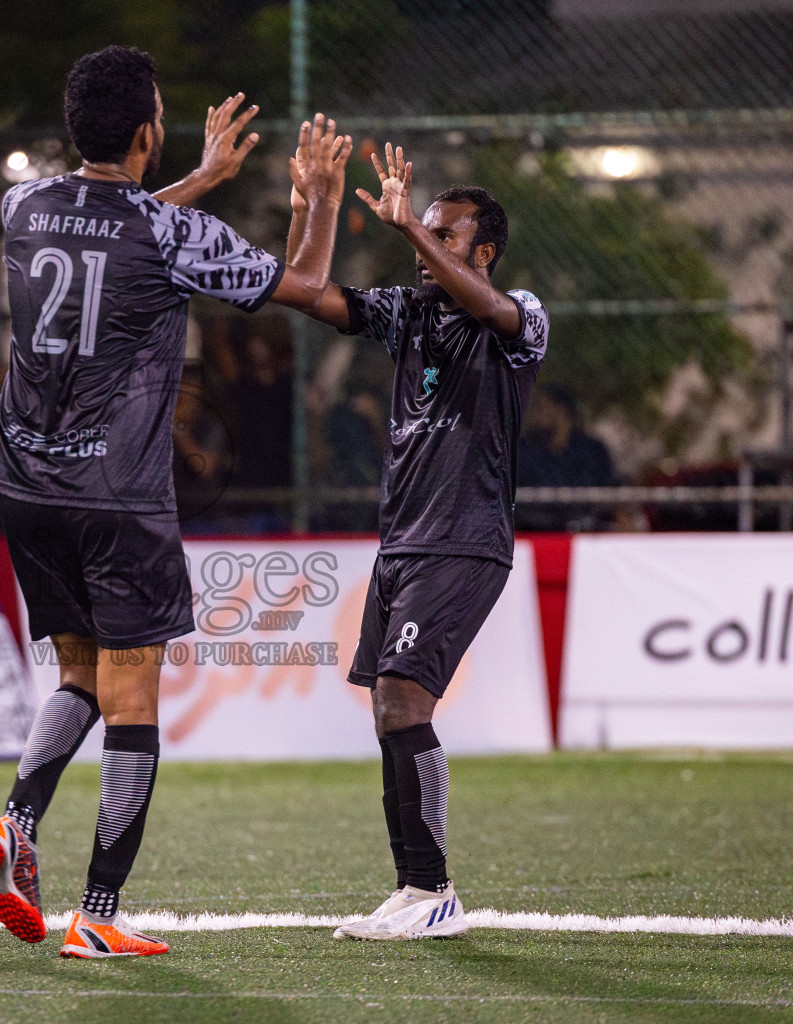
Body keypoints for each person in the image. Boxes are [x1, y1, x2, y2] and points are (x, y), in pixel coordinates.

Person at [0, 45, 350, 959]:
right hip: (117, 494)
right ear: (149, 130)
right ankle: (98, 913)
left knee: (79, 673)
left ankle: (19, 823)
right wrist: (319, 204)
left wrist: (200, 178)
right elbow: (299, 287)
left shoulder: (24, 206)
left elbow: (111, 225)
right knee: (132, 694)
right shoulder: (174, 234)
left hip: (26, 482)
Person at [288, 144, 548, 940]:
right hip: (401, 543)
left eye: (443, 234)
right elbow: (303, 293)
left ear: (484, 251)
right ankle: (412, 889)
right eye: (422, 230)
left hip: (466, 541)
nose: (423, 245)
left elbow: (488, 306)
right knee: (387, 710)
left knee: (405, 697)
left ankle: (435, 891)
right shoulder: (407, 312)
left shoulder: (521, 319)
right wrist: (318, 205)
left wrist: (407, 226)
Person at [515, 384, 628, 532]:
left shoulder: (591, 450)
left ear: (562, 411)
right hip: (536, 530)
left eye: (541, 408)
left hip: (588, 531)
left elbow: (612, 490)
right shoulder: (524, 450)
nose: (535, 415)